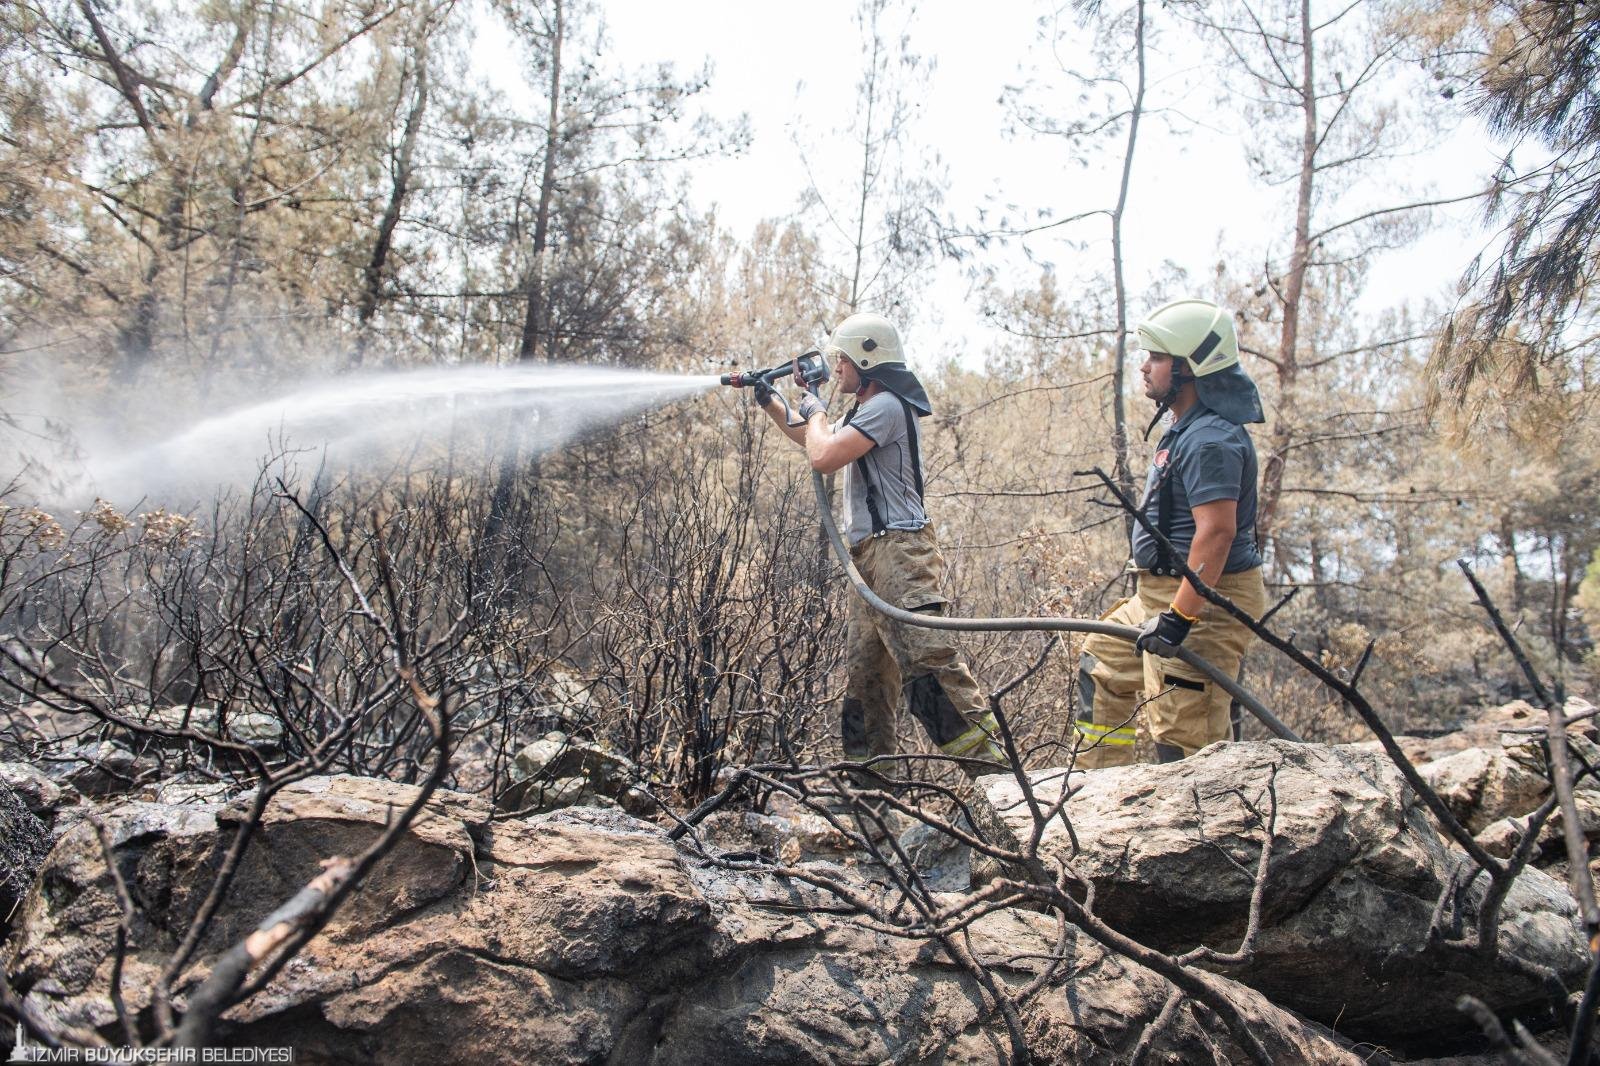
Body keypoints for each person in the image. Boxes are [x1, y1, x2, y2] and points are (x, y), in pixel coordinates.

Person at [755, 312, 1004, 780]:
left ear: (869, 359)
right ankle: (873, 804)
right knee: (867, 682)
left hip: (900, 555)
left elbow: (824, 455)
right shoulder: (864, 411)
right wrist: (772, 401)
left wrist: (816, 410)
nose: (837, 367)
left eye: (843, 359)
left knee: (930, 671)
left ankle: (1002, 786)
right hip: (869, 556)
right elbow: (815, 439)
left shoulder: (888, 407)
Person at [1076, 298, 1269, 767]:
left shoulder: (1210, 440)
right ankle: (1096, 792)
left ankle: (1206, 830)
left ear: (1191, 367)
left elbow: (1217, 533)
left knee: (1182, 734)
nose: (1144, 367)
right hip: (1160, 596)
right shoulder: (1188, 428)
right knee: (1103, 660)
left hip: (1205, 601)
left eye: (1157, 358)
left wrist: (1181, 618)